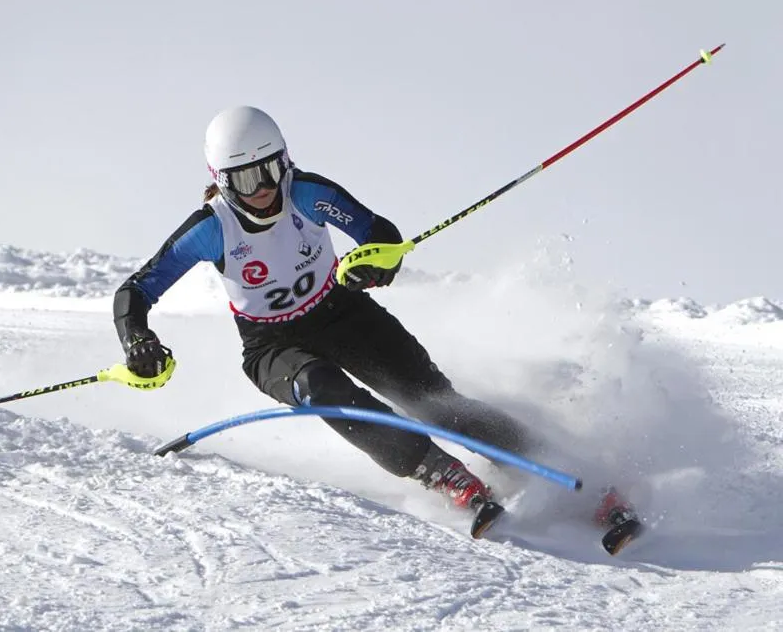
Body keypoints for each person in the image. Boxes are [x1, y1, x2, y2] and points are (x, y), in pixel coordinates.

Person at [112, 106, 533, 511]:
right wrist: (137, 340)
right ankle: (438, 470)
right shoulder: (211, 228)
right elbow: (135, 291)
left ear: (286, 160)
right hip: (273, 347)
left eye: (271, 170)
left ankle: (543, 461)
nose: (262, 188)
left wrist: (376, 266)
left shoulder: (308, 193)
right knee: (325, 388)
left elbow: (379, 234)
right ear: (221, 181)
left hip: (343, 313)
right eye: (244, 180)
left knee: (431, 400)